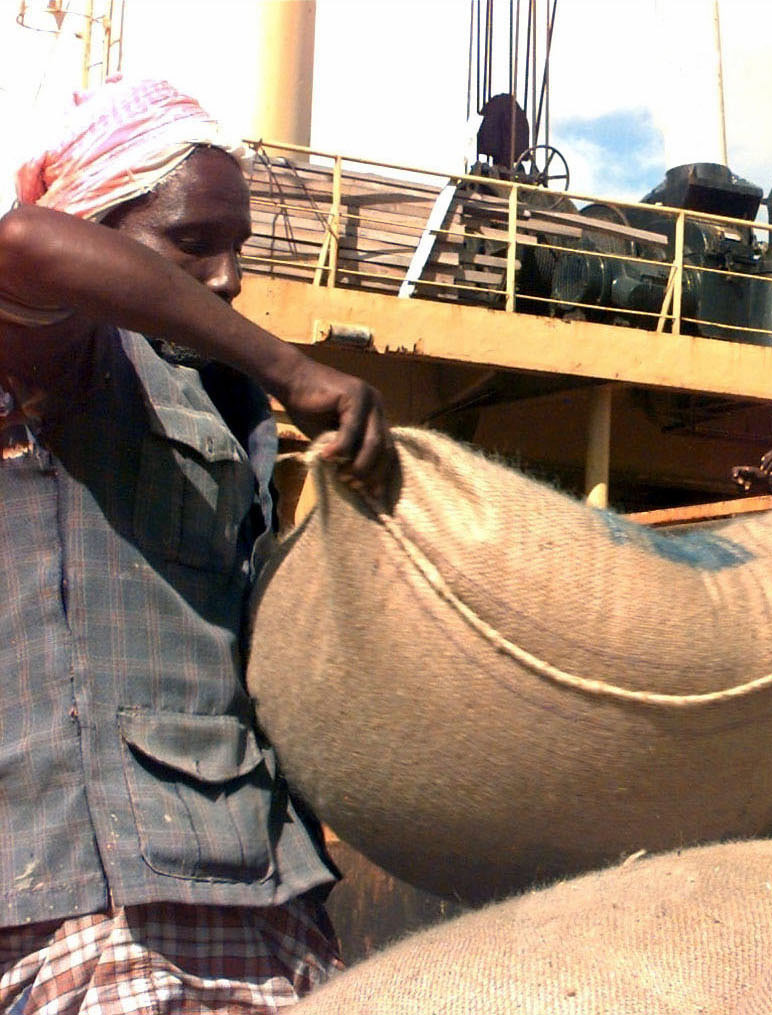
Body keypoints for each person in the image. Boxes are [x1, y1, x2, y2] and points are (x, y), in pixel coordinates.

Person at [0, 78, 394, 1012]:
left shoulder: (220, 399)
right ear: (95, 226)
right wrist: (291, 364)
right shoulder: (66, 357)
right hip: (89, 901)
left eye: (237, 247)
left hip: (259, 888)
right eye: (189, 242)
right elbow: (20, 244)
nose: (226, 276)